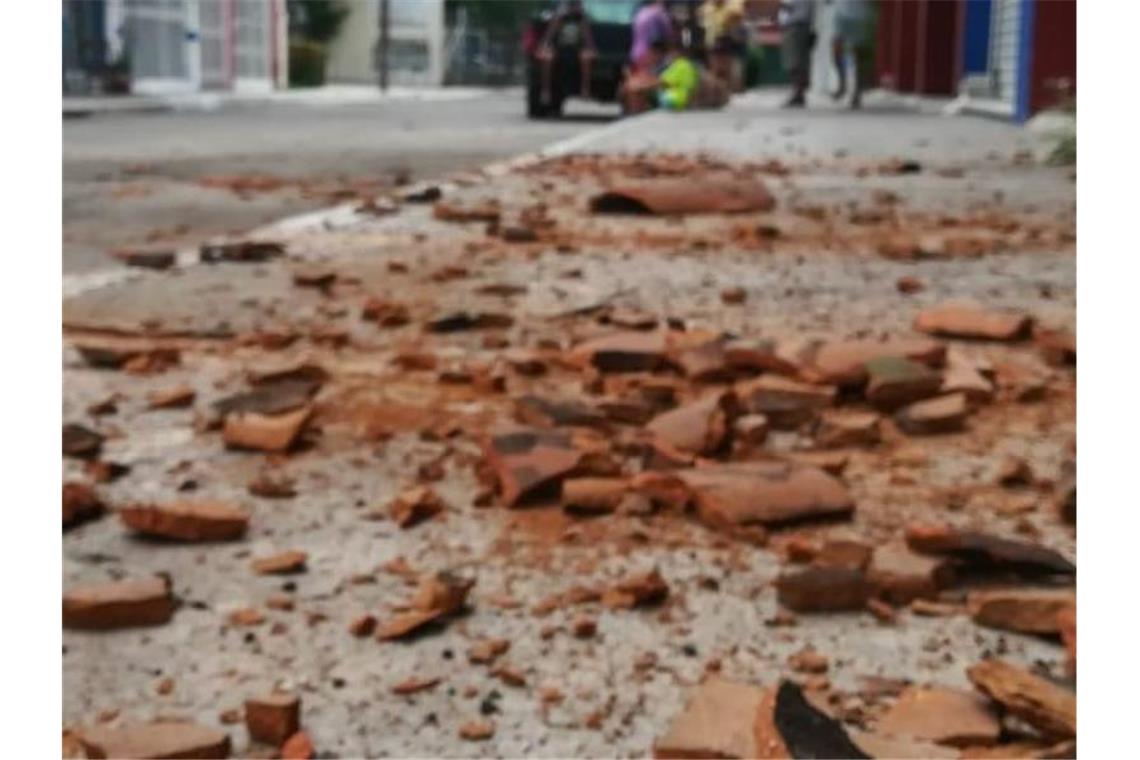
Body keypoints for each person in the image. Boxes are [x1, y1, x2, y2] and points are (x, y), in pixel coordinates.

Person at [537, 0, 598, 105]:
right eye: (571, 6)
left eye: (575, 6)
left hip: (576, 49)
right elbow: (549, 37)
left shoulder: (581, 20)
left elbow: (588, 40)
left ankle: (585, 89)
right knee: (547, 59)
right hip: (560, 49)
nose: (573, 9)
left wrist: (591, 49)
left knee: (586, 58)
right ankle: (545, 90)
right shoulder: (558, 19)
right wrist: (544, 47)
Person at [831, 0, 872, 109]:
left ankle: (857, 93)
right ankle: (842, 84)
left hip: (859, 16)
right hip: (840, 14)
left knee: (859, 54)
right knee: (836, 49)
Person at [778, 0, 815, 107]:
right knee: (798, 62)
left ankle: (798, 94)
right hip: (799, 26)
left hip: (796, 26)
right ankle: (799, 93)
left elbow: (789, 5)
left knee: (795, 62)